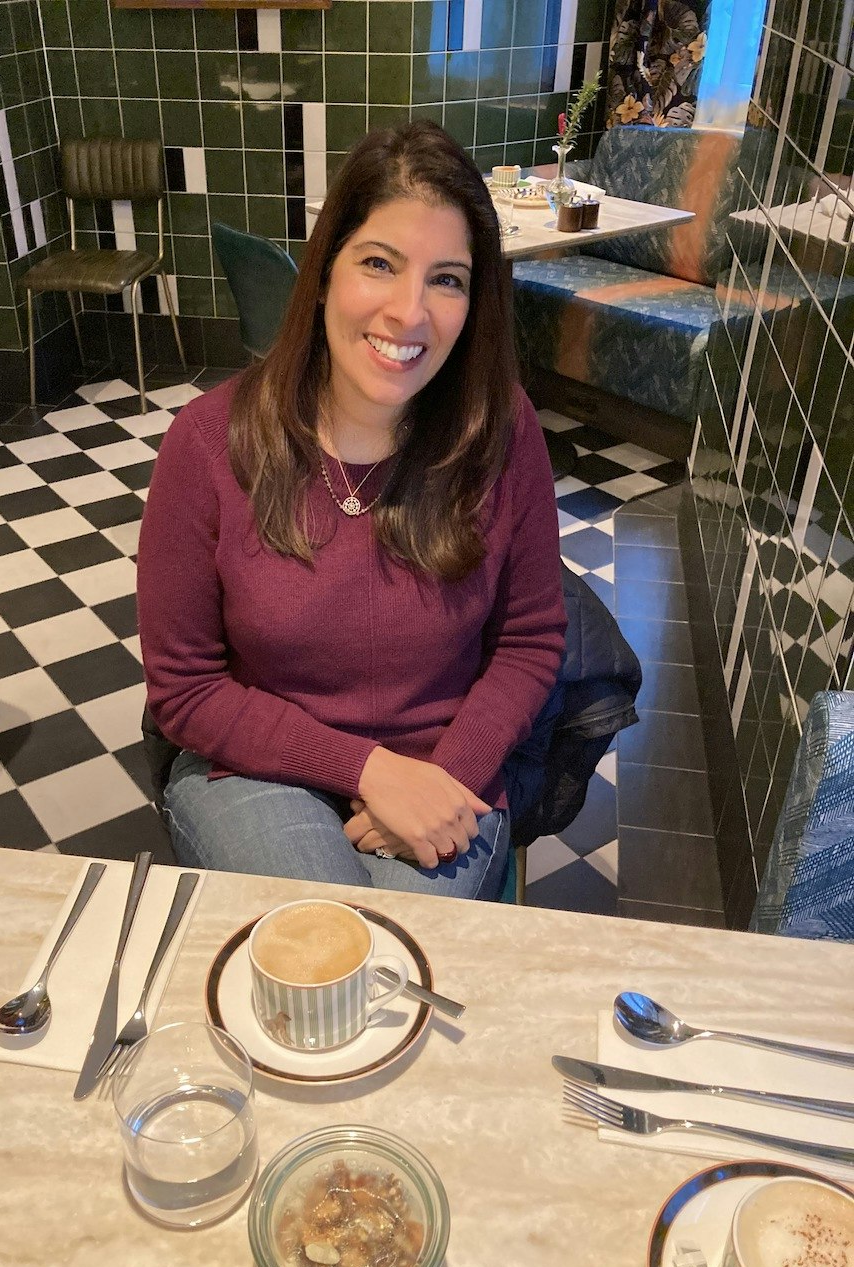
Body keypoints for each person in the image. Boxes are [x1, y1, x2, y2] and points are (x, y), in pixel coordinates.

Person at [137, 121, 566, 901]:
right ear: (325, 271)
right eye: (379, 264)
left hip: (447, 763)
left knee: (390, 968)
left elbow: (531, 641)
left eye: (447, 280)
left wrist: (444, 774)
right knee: (334, 942)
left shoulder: (501, 430)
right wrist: (367, 770)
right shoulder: (206, 445)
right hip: (258, 767)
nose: (409, 313)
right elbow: (185, 690)